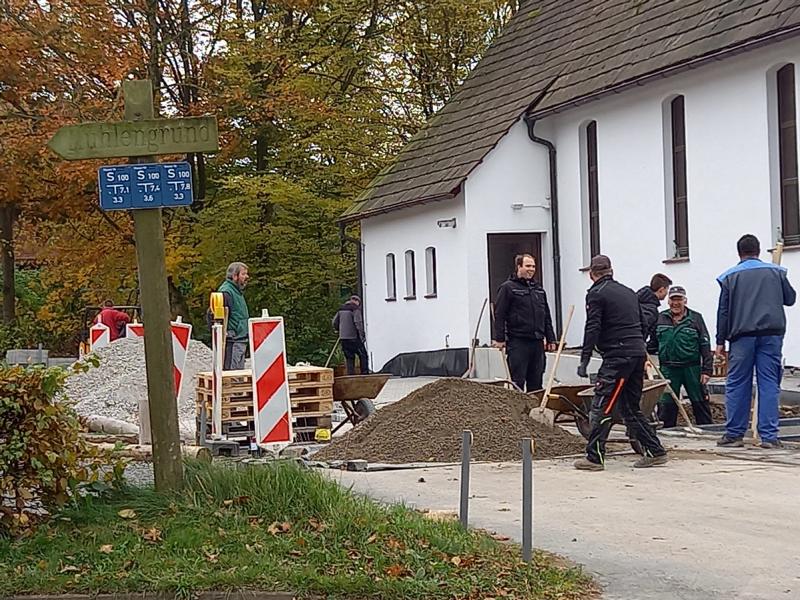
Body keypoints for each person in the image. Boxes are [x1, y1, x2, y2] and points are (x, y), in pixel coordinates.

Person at [574, 255, 668, 471]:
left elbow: (593, 326)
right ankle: (655, 451)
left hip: (617, 357)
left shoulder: (596, 293)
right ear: (611, 271)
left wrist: (585, 358)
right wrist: (639, 347)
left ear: (592, 275)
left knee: (602, 405)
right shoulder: (628, 292)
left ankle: (594, 458)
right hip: (636, 354)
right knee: (629, 408)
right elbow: (643, 323)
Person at [715, 234, 796, 448]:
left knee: (737, 383)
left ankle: (734, 435)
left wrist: (720, 342)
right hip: (771, 335)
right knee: (769, 383)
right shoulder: (776, 272)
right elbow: (790, 299)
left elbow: (723, 311)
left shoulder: (729, 277)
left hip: (741, 337)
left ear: (739, 252)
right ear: (758, 251)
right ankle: (769, 437)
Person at [650, 285, 714, 428]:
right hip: (668, 369)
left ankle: (707, 431)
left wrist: (707, 370)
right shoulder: (660, 318)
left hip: (692, 369)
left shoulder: (695, 318)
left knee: (700, 402)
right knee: (666, 404)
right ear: (668, 301)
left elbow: (705, 344)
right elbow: (653, 343)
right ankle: (667, 432)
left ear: (685, 300)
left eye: (679, 299)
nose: (676, 303)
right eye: (673, 299)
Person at [491, 254, 557, 392]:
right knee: (517, 381)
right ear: (519, 267)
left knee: (536, 382)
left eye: (533, 266)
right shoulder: (508, 288)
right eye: (528, 266)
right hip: (518, 342)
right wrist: (500, 338)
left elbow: (546, 316)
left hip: (537, 343)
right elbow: (500, 314)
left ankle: (534, 405)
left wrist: (551, 338)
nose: (531, 269)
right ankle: (518, 406)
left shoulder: (539, 290)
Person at [218, 262, 251, 370]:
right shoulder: (226, 292)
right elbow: (215, 315)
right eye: (243, 274)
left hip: (239, 338)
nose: (247, 277)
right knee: (232, 374)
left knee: (237, 373)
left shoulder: (235, 291)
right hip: (233, 340)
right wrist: (227, 333)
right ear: (234, 276)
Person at [332, 295, 369, 375]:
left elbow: (334, 322)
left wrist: (340, 330)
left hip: (343, 338)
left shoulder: (341, 309)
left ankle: (350, 375)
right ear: (357, 301)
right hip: (354, 337)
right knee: (363, 355)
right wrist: (362, 335)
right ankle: (364, 374)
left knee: (349, 357)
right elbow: (358, 323)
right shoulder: (355, 309)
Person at [637, 273, 672, 345]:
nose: (667, 293)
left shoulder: (636, 301)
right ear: (661, 290)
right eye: (667, 289)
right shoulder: (651, 309)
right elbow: (642, 328)